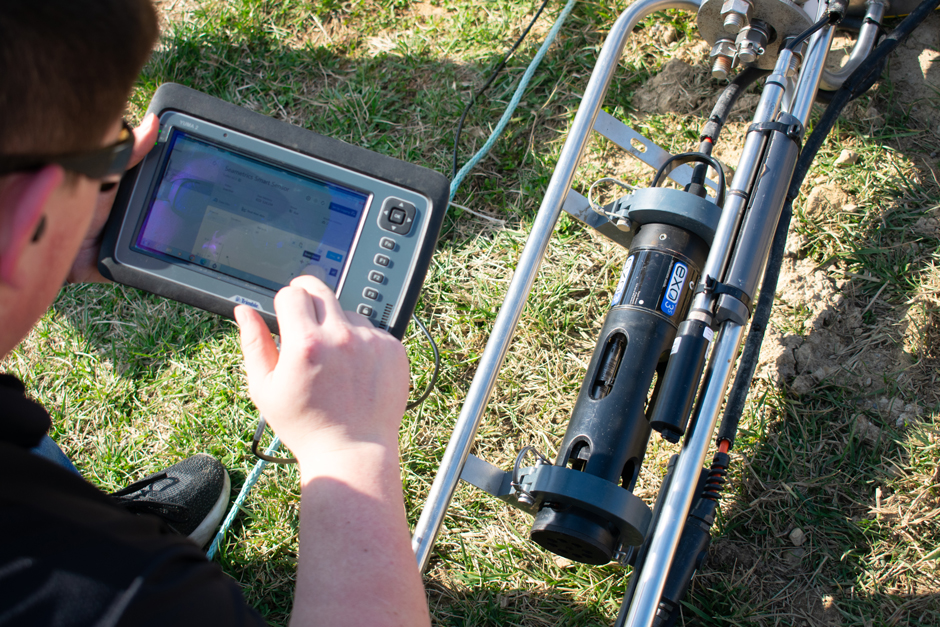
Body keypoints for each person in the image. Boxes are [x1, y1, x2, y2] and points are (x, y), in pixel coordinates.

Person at [0, 2, 431, 626]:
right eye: (109, 149)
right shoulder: (120, 594)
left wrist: (46, 237)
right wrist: (350, 448)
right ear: (29, 211)